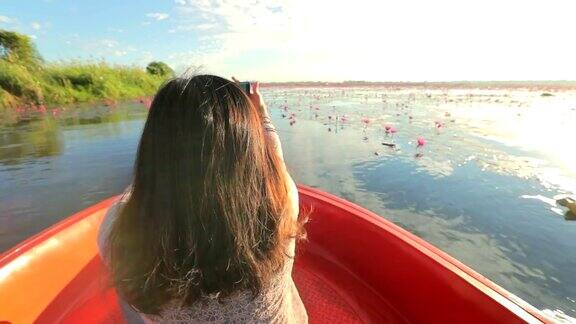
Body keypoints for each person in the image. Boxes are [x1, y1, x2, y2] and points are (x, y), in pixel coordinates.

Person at [98, 74, 308, 323]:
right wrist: (261, 115)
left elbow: (145, 189)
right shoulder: (283, 198)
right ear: (248, 148)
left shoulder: (117, 229)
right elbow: (274, 159)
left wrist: (160, 160)